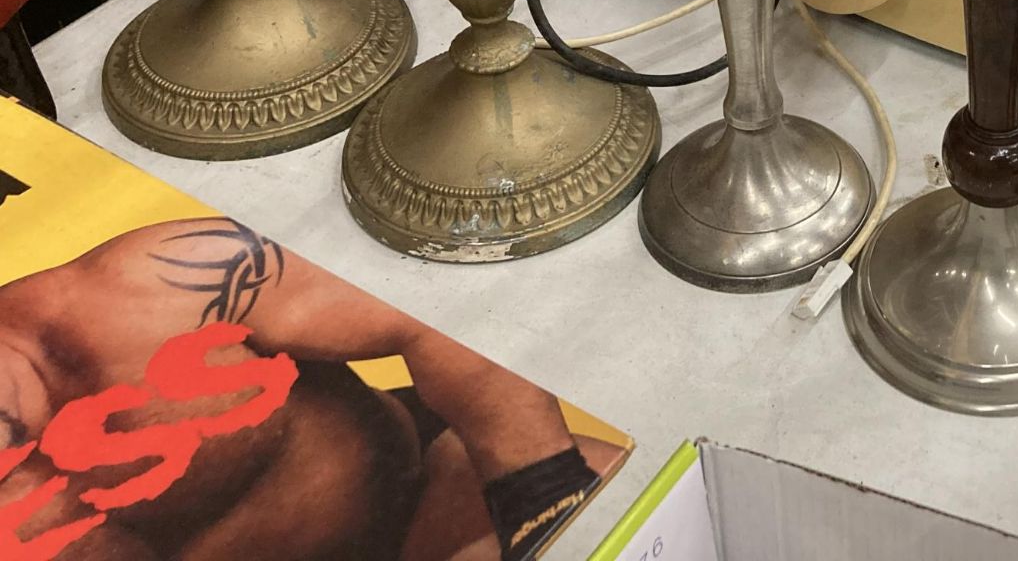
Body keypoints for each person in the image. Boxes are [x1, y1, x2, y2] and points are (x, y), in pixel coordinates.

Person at [0, 218, 619, 561]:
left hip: (417, 506)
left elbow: (431, 320)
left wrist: (546, 507)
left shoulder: (145, 290)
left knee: (620, 500)